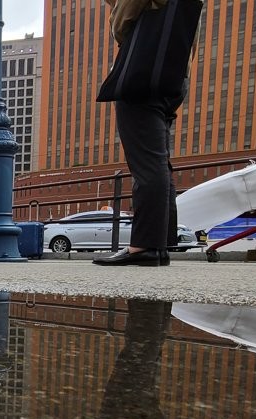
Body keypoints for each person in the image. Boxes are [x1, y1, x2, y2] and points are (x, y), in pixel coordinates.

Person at [93, 0, 188, 267]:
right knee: (158, 158)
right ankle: (159, 244)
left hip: (143, 70)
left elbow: (122, 24)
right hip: (175, 76)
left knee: (146, 161)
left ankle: (143, 245)